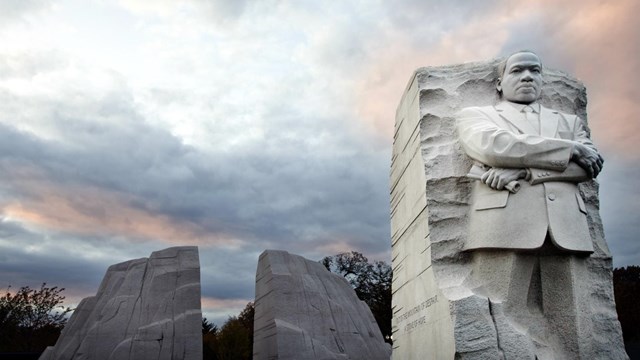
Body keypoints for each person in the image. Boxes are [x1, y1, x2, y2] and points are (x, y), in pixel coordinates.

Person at [455, 50, 604, 359]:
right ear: (499, 83)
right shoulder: (477, 115)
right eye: (517, 71)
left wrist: (522, 170)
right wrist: (569, 149)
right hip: (504, 225)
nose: (527, 77)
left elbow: (587, 167)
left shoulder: (568, 122)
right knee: (500, 320)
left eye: (535, 71)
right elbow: (493, 146)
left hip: (567, 227)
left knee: (575, 330)